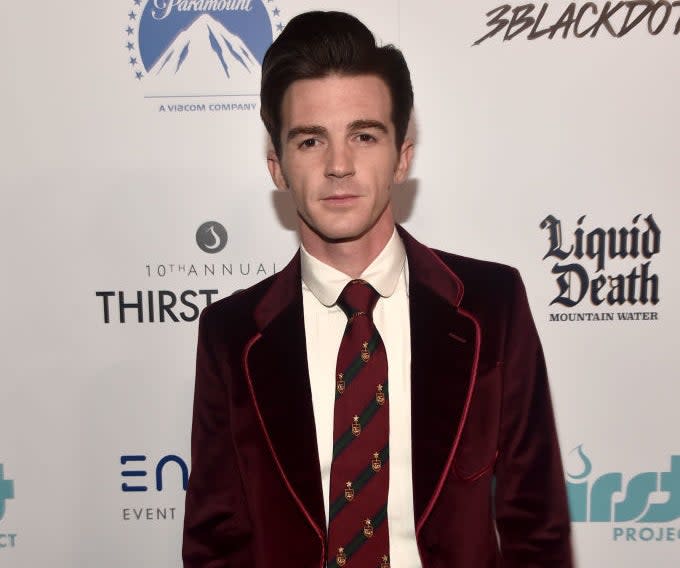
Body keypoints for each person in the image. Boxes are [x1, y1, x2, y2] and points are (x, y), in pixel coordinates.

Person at [182, 10, 573, 568]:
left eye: (364, 136)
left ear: (402, 157)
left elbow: (537, 527)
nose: (340, 165)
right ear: (277, 166)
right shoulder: (231, 335)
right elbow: (216, 543)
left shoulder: (492, 305)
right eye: (311, 140)